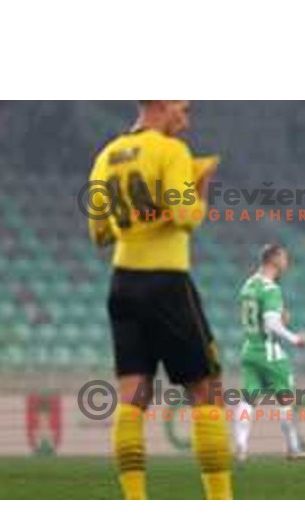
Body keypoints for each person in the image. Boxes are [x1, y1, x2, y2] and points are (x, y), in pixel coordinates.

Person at [88, 100, 233, 499]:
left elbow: (99, 233)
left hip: (122, 285)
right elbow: (187, 215)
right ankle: (221, 502)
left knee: (133, 396)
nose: (185, 122)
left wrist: (138, 217)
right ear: (162, 103)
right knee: (207, 392)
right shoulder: (171, 152)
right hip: (167, 283)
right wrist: (201, 184)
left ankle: (136, 501)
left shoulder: (106, 156)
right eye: (182, 110)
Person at [235, 244, 305, 460]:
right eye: (284, 258)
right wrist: (295, 338)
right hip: (269, 352)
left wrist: (276, 319)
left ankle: (241, 444)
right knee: (286, 399)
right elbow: (271, 323)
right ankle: (293, 447)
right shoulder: (270, 288)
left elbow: (253, 317)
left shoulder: (248, 284)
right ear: (274, 259)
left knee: (248, 399)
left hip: (249, 349)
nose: (287, 262)